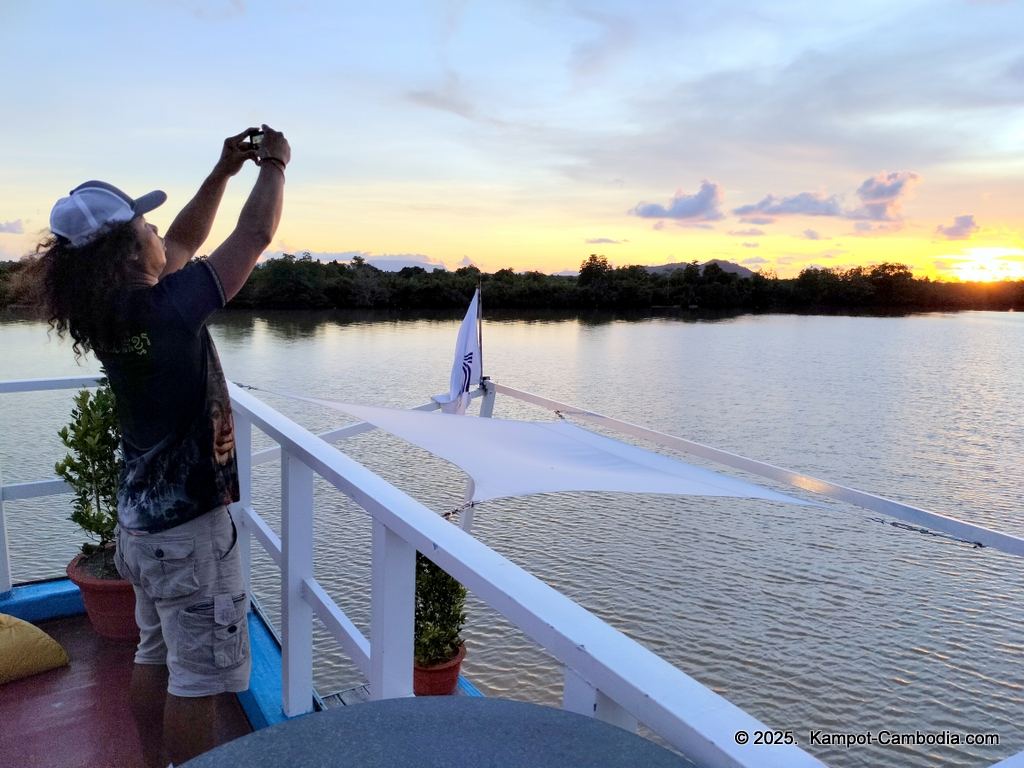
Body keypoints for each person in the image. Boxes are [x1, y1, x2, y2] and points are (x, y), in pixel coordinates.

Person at [29, 126, 290, 766]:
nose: (156, 231)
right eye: (143, 224)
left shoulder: (105, 309)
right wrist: (276, 165)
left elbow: (182, 243)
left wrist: (224, 171)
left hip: (140, 530)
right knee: (197, 681)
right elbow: (252, 238)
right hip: (189, 535)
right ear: (124, 252)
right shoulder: (168, 310)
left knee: (156, 654)